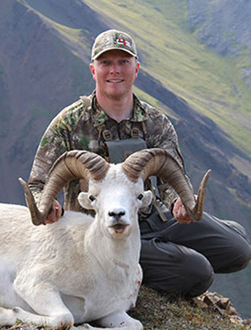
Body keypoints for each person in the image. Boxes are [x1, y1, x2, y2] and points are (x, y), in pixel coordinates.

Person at [28, 29, 251, 297]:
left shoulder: (155, 121)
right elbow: (38, 184)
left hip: (151, 215)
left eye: (123, 62)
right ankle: (130, 271)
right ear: (93, 69)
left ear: (136, 68)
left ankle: (162, 250)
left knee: (239, 251)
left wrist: (177, 202)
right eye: (106, 63)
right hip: (100, 231)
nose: (115, 70)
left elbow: (171, 180)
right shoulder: (68, 124)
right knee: (197, 273)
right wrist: (47, 204)